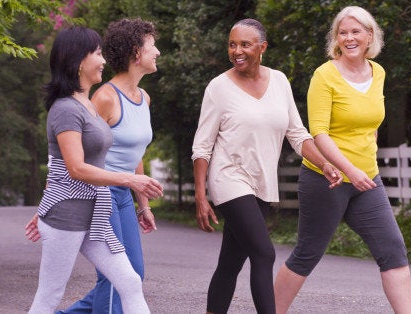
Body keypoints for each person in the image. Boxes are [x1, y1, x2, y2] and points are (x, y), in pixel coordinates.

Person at [191, 19, 342, 314]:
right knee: (263, 253)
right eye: (232, 44)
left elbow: (298, 134)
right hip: (229, 178)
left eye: (245, 44)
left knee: (230, 263)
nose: (237, 51)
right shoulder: (218, 88)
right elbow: (202, 146)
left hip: (261, 184)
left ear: (262, 48)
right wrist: (200, 195)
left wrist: (324, 163)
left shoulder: (280, 81)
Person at [273, 6, 411, 314]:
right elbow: (319, 133)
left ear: (369, 36)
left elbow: (371, 119)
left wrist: (367, 145)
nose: (349, 38)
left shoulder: (378, 72)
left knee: (393, 250)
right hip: (327, 179)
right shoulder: (325, 76)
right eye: (343, 32)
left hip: (367, 180)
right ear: (336, 38)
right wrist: (349, 168)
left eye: (356, 32)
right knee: (307, 253)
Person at [26, 26, 163, 314]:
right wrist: (131, 179)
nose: (103, 60)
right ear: (79, 60)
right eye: (97, 54)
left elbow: (95, 158)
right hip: (67, 216)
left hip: (95, 211)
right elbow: (74, 167)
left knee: (129, 280)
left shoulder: (86, 104)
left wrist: (137, 195)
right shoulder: (65, 109)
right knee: (49, 296)